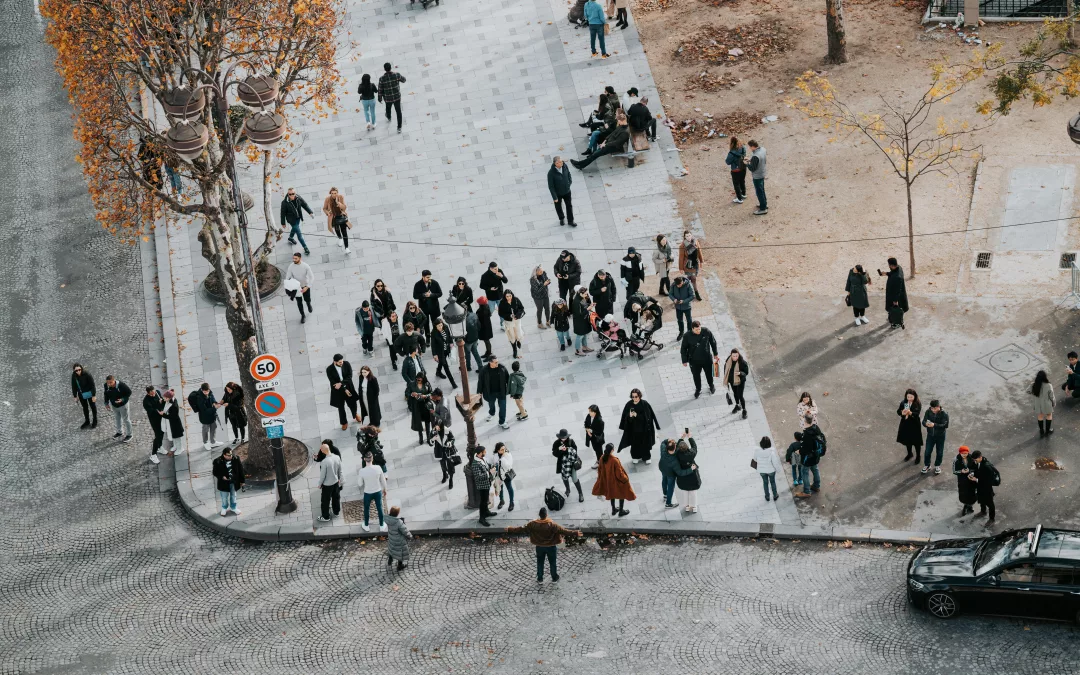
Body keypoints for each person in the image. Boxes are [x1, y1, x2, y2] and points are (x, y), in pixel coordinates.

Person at [506, 507, 582, 582]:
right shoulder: (552, 524)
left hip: (539, 547)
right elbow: (563, 531)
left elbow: (521, 529)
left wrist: (510, 529)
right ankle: (554, 577)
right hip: (551, 547)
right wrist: (575, 532)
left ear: (539, 515)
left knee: (540, 563)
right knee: (552, 563)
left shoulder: (533, 524)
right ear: (546, 515)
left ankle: (540, 579)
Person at [618, 388, 660, 464]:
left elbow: (648, 418)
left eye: (636, 396)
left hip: (644, 429)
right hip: (633, 430)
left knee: (645, 444)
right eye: (633, 397)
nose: (634, 398)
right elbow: (625, 417)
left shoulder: (644, 404)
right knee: (634, 444)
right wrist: (630, 416)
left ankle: (646, 457)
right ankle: (635, 456)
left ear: (639, 396)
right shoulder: (629, 404)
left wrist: (637, 415)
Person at [593, 443, 636, 516]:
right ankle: (621, 511)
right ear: (612, 450)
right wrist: (625, 479)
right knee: (622, 494)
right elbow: (619, 474)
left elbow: (600, 470)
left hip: (608, 482)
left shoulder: (602, 458)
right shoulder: (614, 460)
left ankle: (613, 510)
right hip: (616, 482)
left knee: (612, 495)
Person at [681, 320, 718, 398]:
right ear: (692, 329)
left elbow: (713, 342)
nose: (699, 331)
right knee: (696, 376)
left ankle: (711, 385)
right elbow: (683, 348)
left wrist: (715, 354)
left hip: (707, 358)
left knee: (709, 374)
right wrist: (684, 360)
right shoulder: (687, 336)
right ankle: (698, 389)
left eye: (699, 329)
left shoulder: (706, 331)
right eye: (696, 329)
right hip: (694, 361)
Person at [326, 354, 360, 431]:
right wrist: (344, 389)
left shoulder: (346, 364)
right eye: (340, 362)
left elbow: (349, 376)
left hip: (348, 387)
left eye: (342, 361)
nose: (342, 363)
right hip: (338, 391)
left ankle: (355, 414)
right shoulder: (329, 369)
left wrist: (341, 383)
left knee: (353, 403)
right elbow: (333, 383)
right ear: (335, 362)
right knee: (341, 408)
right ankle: (344, 422)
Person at [358, 452, 389, 532]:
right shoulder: (378, 468)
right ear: (372, 459)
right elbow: (383, 481)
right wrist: (385, 489)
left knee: (366, 508)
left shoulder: (362, 471)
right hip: (377, 491)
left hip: (367, 492)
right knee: (380, 508)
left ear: (364, 459)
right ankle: (382, 525)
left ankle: (366, 525)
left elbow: (360, 484)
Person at [552, 429, 585, 503]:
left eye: (565, 437)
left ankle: (580, 493)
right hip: (563, 464)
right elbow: (554, 453)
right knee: (564, 477)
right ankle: (568, 490)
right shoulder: (556, 443)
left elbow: (575, 452)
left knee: (575, 479)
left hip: (572, 464)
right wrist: (559, 449)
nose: (563, 439)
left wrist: (566, 449)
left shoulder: (571, 441)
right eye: (562, 437)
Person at [478, 355, 511, 429]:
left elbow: (508, 379)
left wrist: (511, 390)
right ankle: (492, 413)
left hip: (501, 392)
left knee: (503, 407)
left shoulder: (502, 368)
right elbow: (480, 382)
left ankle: (502, 422)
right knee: (491, 404)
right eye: (495, 362)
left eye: (497, 362)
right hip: (490, 392)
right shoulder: (484, 370)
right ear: (490, 362)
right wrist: (479, 392)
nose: (497, 364)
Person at [212, 447, 245, 517]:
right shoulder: (217, 461)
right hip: (224, 483)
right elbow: (215, 472)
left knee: (233, 495)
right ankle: (224, 507)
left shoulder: (236, 458)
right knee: (224, 497)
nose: (230, 456)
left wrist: (242, 481)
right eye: (228, 455)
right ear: (224, 455)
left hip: (234, 481)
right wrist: (221, 476)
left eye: (231, 454)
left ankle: (233, 507)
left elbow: (241, 470)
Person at [279, 188, 314, 255]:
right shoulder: (284, 203)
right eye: (290, 194)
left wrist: (310, 212)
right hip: (292, 220)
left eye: (293, 193)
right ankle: (305, 248)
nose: (291, 195)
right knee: (299, 234)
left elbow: (304, 204)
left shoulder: (298, 197)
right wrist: (283, 223)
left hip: (298, 218)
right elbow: (282, 213)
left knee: (294, 229)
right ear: (288, 194)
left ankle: (290, 238)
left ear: (295, 193)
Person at [796, 416, 823, 497]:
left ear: (805, 421)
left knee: (805, 472)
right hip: (816, 455)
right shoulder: (816, 428)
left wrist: (799, 451)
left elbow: (805, 449)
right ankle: (816, 486)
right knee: (815, 469)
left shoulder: (807, 434)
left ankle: (807, 491)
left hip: (808, 458)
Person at [969, 450, 999, 524]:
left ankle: (992, 519)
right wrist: (972, 474)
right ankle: (983, 511)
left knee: (990, 504)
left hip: (987, 489)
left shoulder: (987, 467)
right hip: (980, 487)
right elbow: (977, 471)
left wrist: (976, 479)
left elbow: (989, 481)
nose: (974, 461)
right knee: (981, 499)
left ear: (980, 457)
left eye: (975, 460)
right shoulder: (979, 463)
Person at [316, 441, 343, 523]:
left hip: (327, 485)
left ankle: (325, 516)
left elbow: (322, 476)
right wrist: (339, 479)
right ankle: (336, 512)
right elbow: (340, 470)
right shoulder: (337, 457)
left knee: (325, 501)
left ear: (323, 451)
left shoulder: (324, 462)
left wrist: (319, 484)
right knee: (336, 498)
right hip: (335, 482)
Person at [878, 258, 908, 329]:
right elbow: (893, 273)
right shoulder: (898, 268)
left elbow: (897, 290)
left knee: (896, 310)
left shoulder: (897, 277)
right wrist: (886, 273)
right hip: (894, 294)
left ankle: (897, 323)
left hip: (895, 296)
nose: (888, 266)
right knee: (895, 310)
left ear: (892, 265)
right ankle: (893, 318)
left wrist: (895, 301)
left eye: (889, 265)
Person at [470, 446, 497, 526]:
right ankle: (482, 518)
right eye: (484, 452)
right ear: (480, 453)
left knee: (486, 500)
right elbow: (479, 476)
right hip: (482, 485)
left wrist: (492, 466)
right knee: (483, 501)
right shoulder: (475, 464)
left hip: (487, 483)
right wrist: (489, 473)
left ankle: (487, 512)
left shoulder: (482, 459)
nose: (485, 453)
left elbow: (486, 465)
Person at [284, 251, 314, 323]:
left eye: (296, 259)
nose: (294, 260)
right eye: (293, 258)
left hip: (305, 286)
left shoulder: (306, 266)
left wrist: (307, 287)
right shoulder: (291, 266)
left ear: (300, 258)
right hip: (296, 288)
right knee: (299, 303)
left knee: (307, 299)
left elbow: (312, 277)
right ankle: (303, 315)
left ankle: (308, 304)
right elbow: (287, 276)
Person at [921, 399, 949, 475]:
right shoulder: (928, 411)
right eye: (932, 408)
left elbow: (945, 425)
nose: (933, 410)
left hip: (940, 436)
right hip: (930, 435)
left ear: (939, 407)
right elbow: (923, 421)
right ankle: (927, 465)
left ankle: (937, 466)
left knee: (939, 452)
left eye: (935, 408)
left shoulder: (944, 414)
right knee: (927, 451)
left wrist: (934, 425)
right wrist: (926, 424)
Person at [412, 270, 443, 336]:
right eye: (427, 277)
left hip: (434, 307)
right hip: (424, 308)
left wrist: (431, 295)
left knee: (435, 322)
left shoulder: (434, 283)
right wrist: (423, 295)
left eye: (430, 277)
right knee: (425, 323)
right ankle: (428, 337)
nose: (429, 278)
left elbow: (440, 293)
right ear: (423, 277)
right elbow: (415, 296)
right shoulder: (417, 284)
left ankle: (436, 335)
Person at [429, 318, 458, 389]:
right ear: (435, 326)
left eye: (441, 325)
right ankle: (453, 383)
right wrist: (435, 355)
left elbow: (449, 336)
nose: (440, 327)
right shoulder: (434, 333)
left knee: (442, 362)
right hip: (440, 352)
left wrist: (451, 343)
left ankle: (438, 371)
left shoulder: (446, 327)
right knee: (446, 367)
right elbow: (433, 345)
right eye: (438, 326)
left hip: (447, 350)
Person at [103, 375, 133, 442]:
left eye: (111, 382)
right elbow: (106, 394)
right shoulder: (106, 385)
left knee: (126, 420)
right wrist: (106, 403)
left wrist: (122, 399)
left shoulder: (121, 385)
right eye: (108, 383)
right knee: (117, 419)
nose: (109, 384)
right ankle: (119, 432)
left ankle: (129, 435)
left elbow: (129, 392)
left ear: (114, 380)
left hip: (123, 405)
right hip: (114, 405)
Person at [377, 62, 406, 132]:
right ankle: (399, 127)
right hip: (397, 97)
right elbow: (404, 80)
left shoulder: (382, 79)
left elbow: (380, 89)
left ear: (384, 69)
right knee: (398, 112)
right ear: (390, 68)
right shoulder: (397, 75)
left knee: (388, 108)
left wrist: (379, 97)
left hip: (387, 98)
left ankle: (389, 117)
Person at [675, 435, 701, 512]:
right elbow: (694, 446)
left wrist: (681, 438)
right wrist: (690, 437)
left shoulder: (677, 454)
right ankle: (694, 507)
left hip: (682, 477)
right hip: (692, 476)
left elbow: (676, 447)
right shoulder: (691, 454)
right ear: (687, 447)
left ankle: (687, 506)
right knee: (693, 492)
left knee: (685, 492)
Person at [896, 388, 923, 462]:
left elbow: (917, 414)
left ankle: (918, 456)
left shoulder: (917, 403)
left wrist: (910, 413)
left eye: (911, 397)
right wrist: (902, 413)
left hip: (914, 425)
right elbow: (898, 411)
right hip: (906, 424)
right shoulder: (903, 402)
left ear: (914, 396)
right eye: (908, 397)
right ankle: (909, 453)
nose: (910, 399)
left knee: (916, 442)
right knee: (907, 440)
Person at [322, 187, 352, 255]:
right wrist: (327, 212)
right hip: (333, 217)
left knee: (344, 232)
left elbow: (344, 207)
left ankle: (347, 248)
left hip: (341, 216)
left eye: (335, 193)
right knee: (337, 229)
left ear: (337, 193)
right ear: (330, 193)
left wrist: (339, 203)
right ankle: (340, 238)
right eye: (332, 193)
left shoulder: (340, 197)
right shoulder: (327, 199)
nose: (334, 195)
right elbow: (324, 208)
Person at [498, 289, 526, 359]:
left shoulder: (516, 300)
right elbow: (500, 313)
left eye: (509, 296)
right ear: (505, 296)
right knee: (511, 335)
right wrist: (509, 316)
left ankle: (519, 341)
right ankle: (514, 349)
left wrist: (517, 315)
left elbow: (521, 308)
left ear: (511, 295)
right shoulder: (502, 303)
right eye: (507, 296)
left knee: (518, 332)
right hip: (508, 321)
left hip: (517, 320)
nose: (508, 298)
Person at [193, 383, 222, 450]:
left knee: (214, 427)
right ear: (202, 390)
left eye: (207, 391)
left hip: (212, 415)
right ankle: (205, 443)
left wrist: (215, 403)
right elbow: (205, 410)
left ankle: (213, 442)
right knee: (205, 430)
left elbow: (212, 398)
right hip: (205, 417)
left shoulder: (210, 392)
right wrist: (215, 408)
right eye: (204, 392)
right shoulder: (199, 398)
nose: (206, 393)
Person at [406, 374, 433, 446]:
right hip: (417, 406)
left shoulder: (427, 384)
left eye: (420, 379)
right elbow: (407, 393)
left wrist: (425, 396)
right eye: (417, 379)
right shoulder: (412, 384)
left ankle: (428, 439)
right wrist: (412, 394)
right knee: (418, 422)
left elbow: (431, 393)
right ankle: (420, 438)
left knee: (427, 422)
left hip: (426, 405)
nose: (418, 380)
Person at [548, 157, 575, 227]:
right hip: (558, 193)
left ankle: (570, 221)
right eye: (558, 163)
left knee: (569, 206)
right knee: (558, 207)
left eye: (561, 162)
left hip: (567, 191)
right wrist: (554, 197)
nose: (560, 164)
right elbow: (551, 186)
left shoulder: (565, 166)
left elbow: (568, 174)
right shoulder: (551, 173)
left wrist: (569, 182)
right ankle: (561, 218)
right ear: (555, 164)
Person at [723, 348, 749, 419]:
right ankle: (737, 405)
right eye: (733, 356)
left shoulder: (742, 362)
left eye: (736, 356)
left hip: (740, 381)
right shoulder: (728, 360)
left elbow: (746, 372)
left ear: (738, 355)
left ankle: (744, 410)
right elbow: (725, 368)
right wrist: (726, 379)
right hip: (732, 381)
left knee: (740, 395)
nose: (735, 357)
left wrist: (740, 373)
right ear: (731, 355)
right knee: (735, 394)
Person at [678, 231, 705, 301]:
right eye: (687, 236)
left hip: (695, 263)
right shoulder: (682, 246)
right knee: (694, 279)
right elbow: (681, 258)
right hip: (688, 265)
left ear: (691, 235)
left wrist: (701, 261)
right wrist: (680, 268)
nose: (688, 237)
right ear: (684, 237)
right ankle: (696, 293)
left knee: (690, 278)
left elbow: (699, 251)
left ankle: (683, 286)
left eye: (689, 235)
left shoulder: (695, 242)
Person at [754, 437, 782, 502]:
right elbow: (775, 463)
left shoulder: (757, 451)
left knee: (765, 482)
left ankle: (767, 496)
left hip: (762, 470)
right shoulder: (771, 452)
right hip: (771, 470)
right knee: (772, 482)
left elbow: (755, 459)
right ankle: (775, 495)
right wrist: (778, 470)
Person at [384, 506, 412, 570]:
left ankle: (390, 560)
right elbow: (405, 531)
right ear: (397, 513)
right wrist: (410, 536)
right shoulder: (399, 522)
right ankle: (400, 566)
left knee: (392, 549)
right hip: (399, 540)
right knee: (400, 552)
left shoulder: (387, 519)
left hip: (392, 538)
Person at [953, 445, 978, 515]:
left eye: (966, 453)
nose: (964, 455)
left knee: (972, 494)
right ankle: (965, 506)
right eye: (962, 453)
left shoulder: (972, 459)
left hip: (971, 480)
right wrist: (961, 471)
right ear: (960, 453)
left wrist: (970, 471)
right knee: (964, 494)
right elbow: (954, 471)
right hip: (962, 481)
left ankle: (970, 505)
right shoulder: (956, 460)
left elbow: (976, 468)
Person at [143, 386, 166, 464]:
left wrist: (162, 401)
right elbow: (150, 411)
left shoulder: (158, 393)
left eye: (154, 393)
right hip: (154, 420)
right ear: (148, 393)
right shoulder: (146, 401)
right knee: (158, 435)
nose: (153, 395)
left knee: (162, 432)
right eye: (151, 394)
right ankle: (153, 454)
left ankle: (160, 446)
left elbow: (162, 402)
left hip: (161, 417)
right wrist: (158, 411)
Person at [71, 363, 98, 429]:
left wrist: (94, 395)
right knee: (85, 408)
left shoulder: (87, 374)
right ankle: (87, 421)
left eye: (79, 370)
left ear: (81, 369)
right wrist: (75, 396)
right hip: (81, 394)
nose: (78, 371)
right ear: (74, 371)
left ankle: (95, 421)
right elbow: (73, 386)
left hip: (89, 393)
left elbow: (92, 385)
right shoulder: (74, 376)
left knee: (93, 407)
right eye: (76, 370)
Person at [668, 275, 694, 340]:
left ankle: (690, 332)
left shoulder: (688, 284)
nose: (678, 286)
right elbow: (670, 294)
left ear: (682, 282)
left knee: (689, 320)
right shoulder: (673, 285)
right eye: (677, 285)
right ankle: (681, 332)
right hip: (678, 307)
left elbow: (692, 295)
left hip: (687, 307)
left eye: (679, 285)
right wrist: (674, 299)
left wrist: (684, 301)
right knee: (679, 320)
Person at [433, 423, 457, 489]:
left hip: (448, 450)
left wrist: (450, 442)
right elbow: (430, 441)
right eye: (436, 426)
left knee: (450, 465)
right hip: (439, 450)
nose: (436, 428)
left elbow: (452, 438)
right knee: (442, 464)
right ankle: (444, 474)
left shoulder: (447, 431)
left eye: (437, 426)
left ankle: (451, 479)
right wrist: (432, 439)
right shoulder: (434, 432)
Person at [746, 139, 768, 215]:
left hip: (757, 176)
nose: (749, 148)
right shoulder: (763, 149)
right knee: (762, 189)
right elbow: (760, 160)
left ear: (752, 146)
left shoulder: (755, 156)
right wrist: (750, 160)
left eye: (750, 147)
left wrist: (746, 163)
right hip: (763, 172)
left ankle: (763, 208)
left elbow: (752, 168)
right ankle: (764, 204)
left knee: (759, 192)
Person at [1032, 370, 1055, 437]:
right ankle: (1047, 431)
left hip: (1038, 404)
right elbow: (1052, 396)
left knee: (1040, 416)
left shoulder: (1034, 385)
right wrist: (1053, 403)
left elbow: (1028, 391)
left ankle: (1041, 430)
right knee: (1049, 415)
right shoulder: (1048, 385)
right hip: (1047, 404)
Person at [571, 286, 594, 355]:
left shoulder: (582, 298)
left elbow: (585, 306)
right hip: (579, 321)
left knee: (584, 334)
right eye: (585, 294)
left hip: (584, 320)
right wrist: (587, 309)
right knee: (580, 335)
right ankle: (577, 350)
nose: (586, 295)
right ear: (580, 293)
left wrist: (590, 306)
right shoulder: (576, 302)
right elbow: (578, 314)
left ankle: (584, 347)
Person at [161, 390, 185, 455]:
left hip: (175, 423)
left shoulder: (173, 406)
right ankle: (176, 446)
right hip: (172, 423)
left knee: (177, 437)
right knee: (174, 436)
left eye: (165, 398)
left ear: (169, 398)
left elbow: (172, 416)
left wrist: (163, 414)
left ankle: (180, 448)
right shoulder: (172, 400)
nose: (164, 399)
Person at [358, 365, 381, 429]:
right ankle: (371, 421)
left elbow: (377, 390)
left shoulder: (373, 379)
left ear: (368, 372)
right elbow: (360, 387)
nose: (363, 374)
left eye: (365, 372)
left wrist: (374, 399)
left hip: (372, 399)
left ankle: (376, 423)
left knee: (374, 410)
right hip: (364, 397)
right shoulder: (361, 377)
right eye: (362, 372)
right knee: (367, 409)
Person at [725, 137, 747, 204]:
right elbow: (744, 156)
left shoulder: (731, 153)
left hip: (736, 170)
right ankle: (743, 193)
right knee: (742, 181)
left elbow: (728, 162)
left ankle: (739, 198)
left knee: (736, 184)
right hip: (743, 167)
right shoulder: (743, 148)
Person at [495, 442, 516, 511]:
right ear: (498, 450)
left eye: (504, 448)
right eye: (502, 449)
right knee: (500, 488)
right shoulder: (496, 455)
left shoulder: (507, 455)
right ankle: (501, 500)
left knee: (509, 488)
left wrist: (502, 459)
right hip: (499, 474)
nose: (504, 450)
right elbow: (494, 462)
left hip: (506, 474)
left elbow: (508, 466)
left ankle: (511, 503)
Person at [463, 300, 483, 371]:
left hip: (468, 340)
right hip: (475, 337)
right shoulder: (474, 315)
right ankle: (480, 366)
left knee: (467, 353)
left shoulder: (463, 320)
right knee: (475, 352)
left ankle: (468, 366)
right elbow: (479, 326)